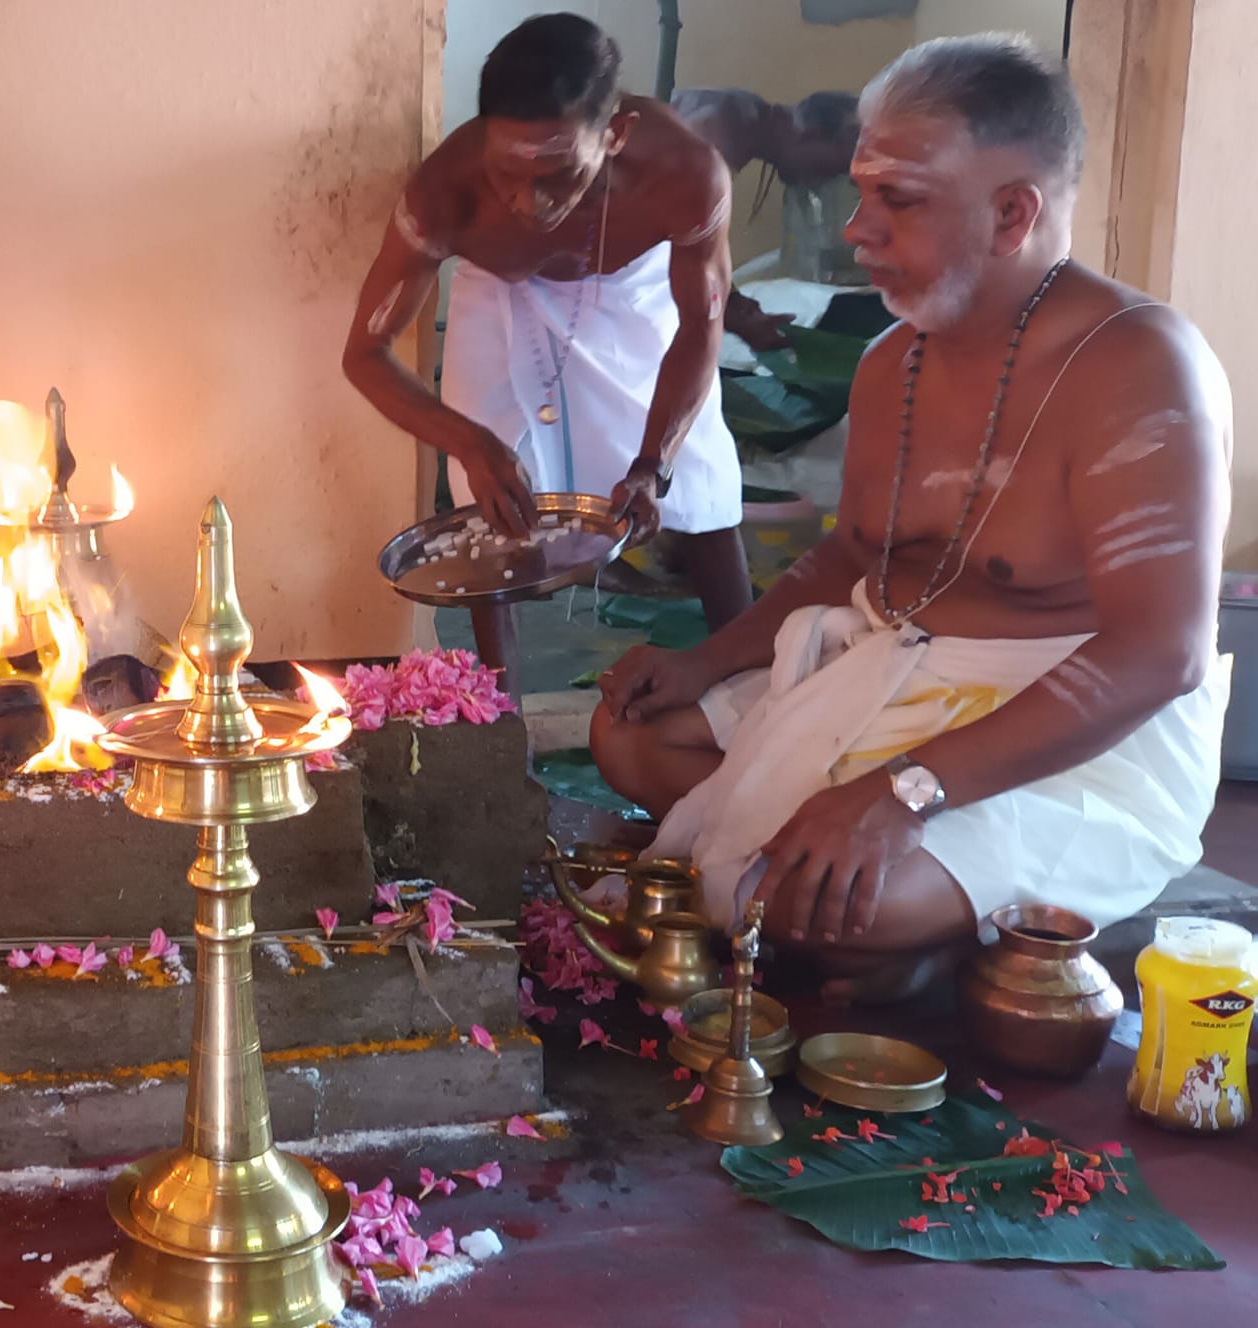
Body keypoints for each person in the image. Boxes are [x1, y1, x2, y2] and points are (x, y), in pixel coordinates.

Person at [589, 34, 1232, 1001]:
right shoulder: (898, 360)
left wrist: (903, 792)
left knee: (809, 899)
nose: (857, 229)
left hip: (1066, 741)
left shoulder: (1138, 366)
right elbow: (852, 552)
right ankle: (913, 925)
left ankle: (904, 918)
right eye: (862, 192)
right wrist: (705, 660)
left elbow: (1158, 656)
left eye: (900, 200)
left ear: (1014, 213)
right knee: (629, 735)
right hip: (883, 673)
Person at [342, 12, 754, 640]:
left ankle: (749, 666)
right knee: (492, 501)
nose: (531, 203)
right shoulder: (443, 195)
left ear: (616, 133)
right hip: (498, 289)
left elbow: (700, 327)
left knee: (698, 475)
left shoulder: (687, 176)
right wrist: (470, 443)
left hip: (630, 286)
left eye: (559, 175)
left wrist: (652, 465)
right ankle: (498, 714)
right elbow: (364, 353)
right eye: (508, 175)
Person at [670, 88, 862, 350]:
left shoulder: (741, 109)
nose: (821, 180)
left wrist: (736, 304)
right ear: (809, 136)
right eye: (834, 168)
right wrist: (737, 315)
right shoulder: (718, 133)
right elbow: (680, 247)